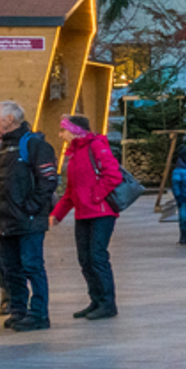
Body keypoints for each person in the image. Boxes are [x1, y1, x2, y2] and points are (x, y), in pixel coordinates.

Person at [0, 101, 55, 332]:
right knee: (10, 268)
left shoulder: (34, 144)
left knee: (32, 266)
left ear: (9, 119)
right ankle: (18, 311)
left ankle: (39, 314)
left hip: (28, 220)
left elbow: (48, 180)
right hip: (4, 220)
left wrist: (31, 207)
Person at [52, 115, 121, 321]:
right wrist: (57, 214)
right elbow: (71, 190)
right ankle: (96, 300)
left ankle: (108, 303)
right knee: (85, 258)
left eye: (63, 130)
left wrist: (95, 197)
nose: (60, 134)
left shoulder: (96, 146)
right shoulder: (74, 155)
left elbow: (113, 175)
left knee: (97, 256)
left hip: (101, 212)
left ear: (74, 131)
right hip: (84, 213)